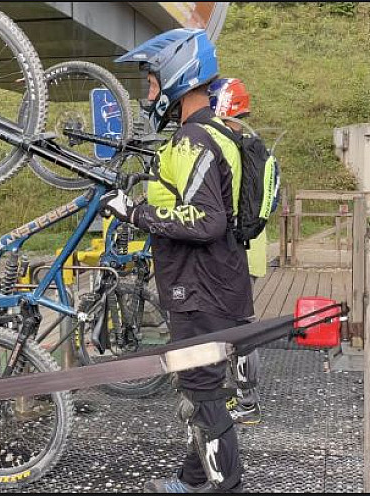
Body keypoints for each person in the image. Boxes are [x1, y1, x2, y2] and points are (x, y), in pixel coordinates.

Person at [105, 28, 251, 493]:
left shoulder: (193, 139)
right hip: (215, 283)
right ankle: (190, 482)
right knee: (199, 391)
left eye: (150, 82)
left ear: (176, 76)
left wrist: (137, 212)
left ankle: (226, 486)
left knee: (204, 398)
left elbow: (204, 219)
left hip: (200, 289)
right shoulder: (214, 132)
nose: (148, 93)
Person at [208, 77, 264, 426]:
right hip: (252, 245)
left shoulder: (227, 145)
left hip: (238, 250)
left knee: (239, 329)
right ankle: (243, 397)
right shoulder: (247, 141)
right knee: (239, 324)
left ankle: (247, 402)